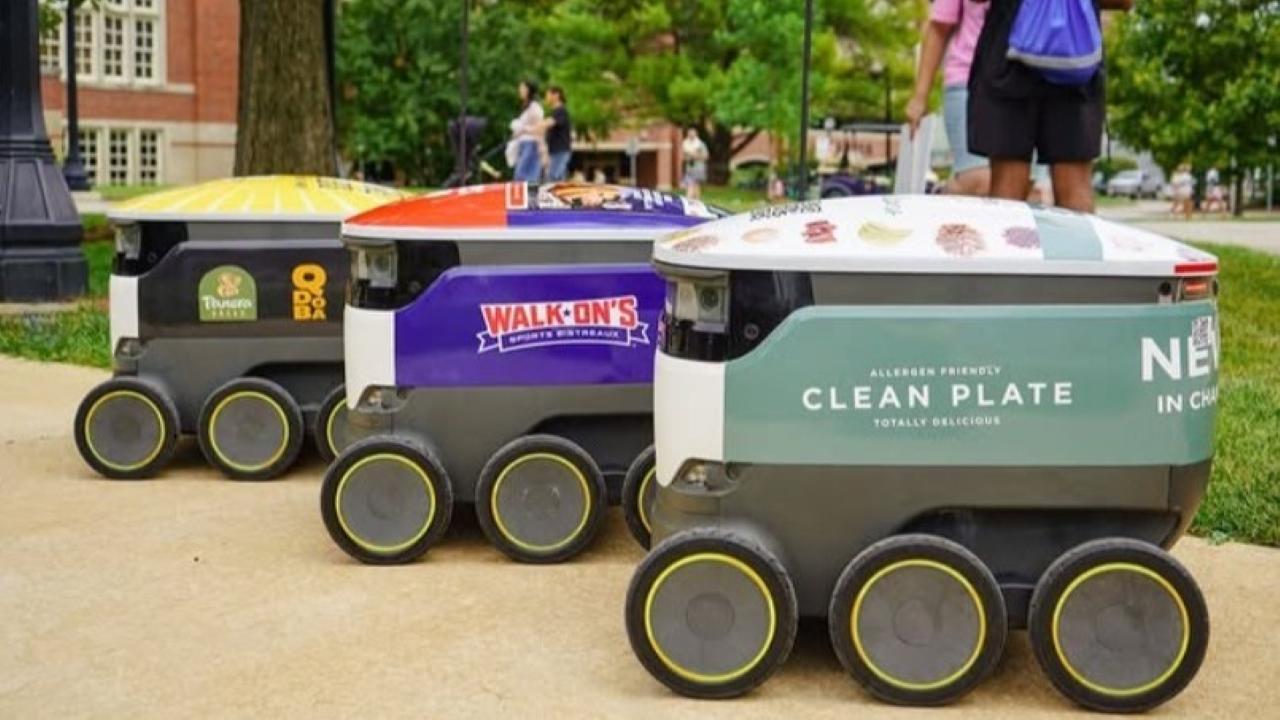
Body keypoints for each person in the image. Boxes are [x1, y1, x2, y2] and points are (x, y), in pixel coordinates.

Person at [968, 0, 1135, 212]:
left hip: (1011, 54)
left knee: (1007, 192)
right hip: (1073, 53)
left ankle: (1009, 241)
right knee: (1075, 190)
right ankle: (1076, 245)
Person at [510, 80, 545, 183]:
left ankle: (529, 198)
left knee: (523, 175)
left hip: (531, 144)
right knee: (520, 175)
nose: (520, 90)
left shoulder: (535, 107)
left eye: (522, 88)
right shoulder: (526, 107)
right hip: (523, 143)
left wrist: (542, 149)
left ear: (529, 90)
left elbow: (539, 128)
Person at [540, 86, 573, 182]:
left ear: (556, 95)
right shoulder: (554, 112)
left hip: (560, 151)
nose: (546, 97)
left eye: (548, 94)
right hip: (555, 151)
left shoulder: (561, 110)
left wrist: (533, 126)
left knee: (555, 179)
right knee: (554, 179)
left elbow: (550, 122)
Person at [681, 129, 709, 200]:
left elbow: (706, 156)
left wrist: (695, 156)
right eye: (689, 134)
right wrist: (687, 157)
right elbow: (683, 157)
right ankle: (693, 200)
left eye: (692, 134)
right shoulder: (685, 144)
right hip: (689, 168)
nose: (691, 136)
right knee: (691, 184)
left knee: (695, 185)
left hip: (698, 168)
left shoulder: (700, 144)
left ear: (696, 135)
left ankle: (692, 200)